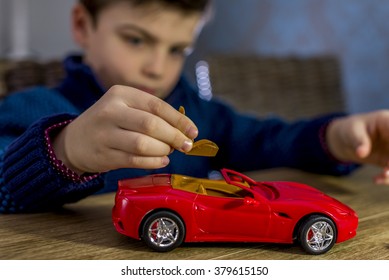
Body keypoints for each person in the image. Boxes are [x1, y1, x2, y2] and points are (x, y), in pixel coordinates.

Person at [1, 0, 389, 213]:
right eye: (136, 40)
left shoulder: (202, 116)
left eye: (176, 50)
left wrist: (339, 138)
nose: (156, 68)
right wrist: (65, 150)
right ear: (84, 25)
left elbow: (273, 141)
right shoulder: (34, 106)